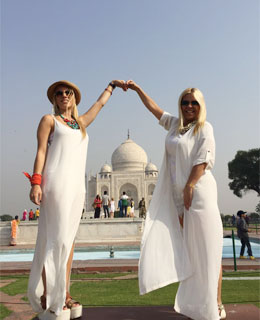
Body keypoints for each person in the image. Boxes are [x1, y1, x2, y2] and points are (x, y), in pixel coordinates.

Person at [25, 79, 126, 320]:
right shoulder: (49, 121)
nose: (63, 96)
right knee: (53, 240)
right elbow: (41, 151)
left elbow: (99, 105)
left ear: (73, 97)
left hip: (75, 189)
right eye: (58, 93)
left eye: (67, 92)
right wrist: (36, 182)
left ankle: (65, 293)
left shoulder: (80, 124)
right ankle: (49, 296)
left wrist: (111, 86)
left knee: (68, 243)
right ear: (54, 99)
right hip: (56, 184)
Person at [126, 81, 226, 320]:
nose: (189, 106)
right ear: (180, 105)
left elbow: (204, 159)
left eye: (194, 102)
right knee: (191, 251)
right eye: (185, 102)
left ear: (201, 105)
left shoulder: (205, 128)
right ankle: (198, 302)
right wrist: (139, 89)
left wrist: (190, 185)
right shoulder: (174, 125)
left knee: (209, 249)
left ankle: (217, 302)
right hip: (179, 197)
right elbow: (154, 110)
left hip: (199, 192)